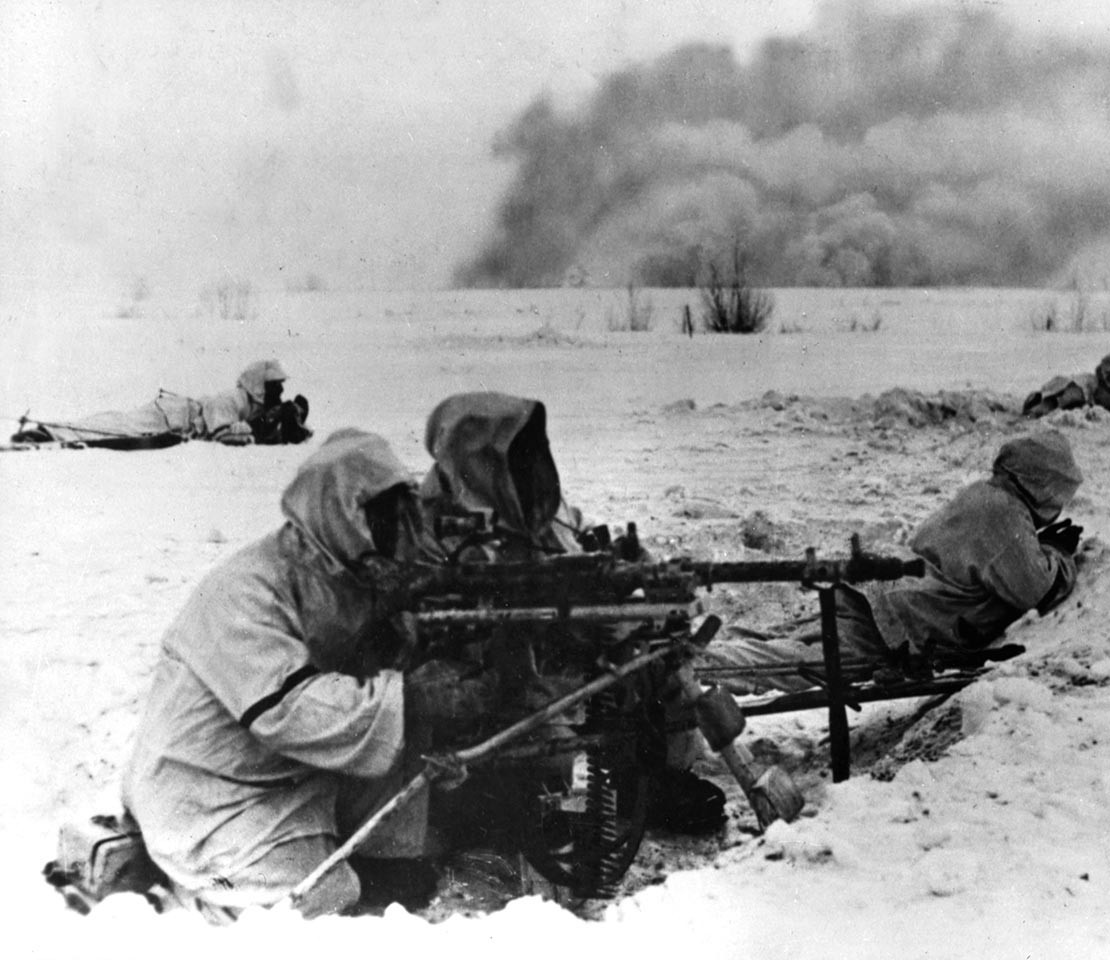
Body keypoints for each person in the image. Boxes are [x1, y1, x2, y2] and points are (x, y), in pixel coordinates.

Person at [122, 429, 493, 922]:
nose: (395, 530)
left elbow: (381, 685)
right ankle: (189, 895)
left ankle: (379, 856)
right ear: (340, 514)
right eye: (381, 517)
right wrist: (418, 696)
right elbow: (288, 710)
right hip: (210, 787)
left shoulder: (346, 575)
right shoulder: (246, 590)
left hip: (287, 773)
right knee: (319, 895)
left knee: (393, 723)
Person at [417, 391, 728, 834]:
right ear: (480, 458)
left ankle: (656, 781)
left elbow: (589, 548)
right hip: (502, 686)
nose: (530, 464)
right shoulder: (430, 527)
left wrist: (631, 570)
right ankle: (610, 797)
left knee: (672, 672)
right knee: (561, 762)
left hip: (581, 660)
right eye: (515, 454)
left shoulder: (540, 507)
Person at [701, 430, 1085, 688]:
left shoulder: (983, 494)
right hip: (894, 625)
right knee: (793, 664)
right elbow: (1036, 589)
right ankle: (688, 669)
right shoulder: (1007, 513)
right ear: (1044, 486)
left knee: (777, 644)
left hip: (879, 595)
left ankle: (691, 651)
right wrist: (1058, 554)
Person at [9, 359, 311, 447]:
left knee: (117, 422)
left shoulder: (253, 405)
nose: (279, 392)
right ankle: (48, 434)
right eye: (275, 386)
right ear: (260, 386)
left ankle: (52, 432)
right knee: (117, 426)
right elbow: (224, 434)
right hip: (173, 416)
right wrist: (260, 427)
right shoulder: (232, 400)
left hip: (175, 417)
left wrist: (283, 424)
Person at [1022, 350, 1110, 417]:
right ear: (1103, 381)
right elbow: (1045, 406)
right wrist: (1030, 415)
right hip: (1043, 397)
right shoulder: (1078, 392)